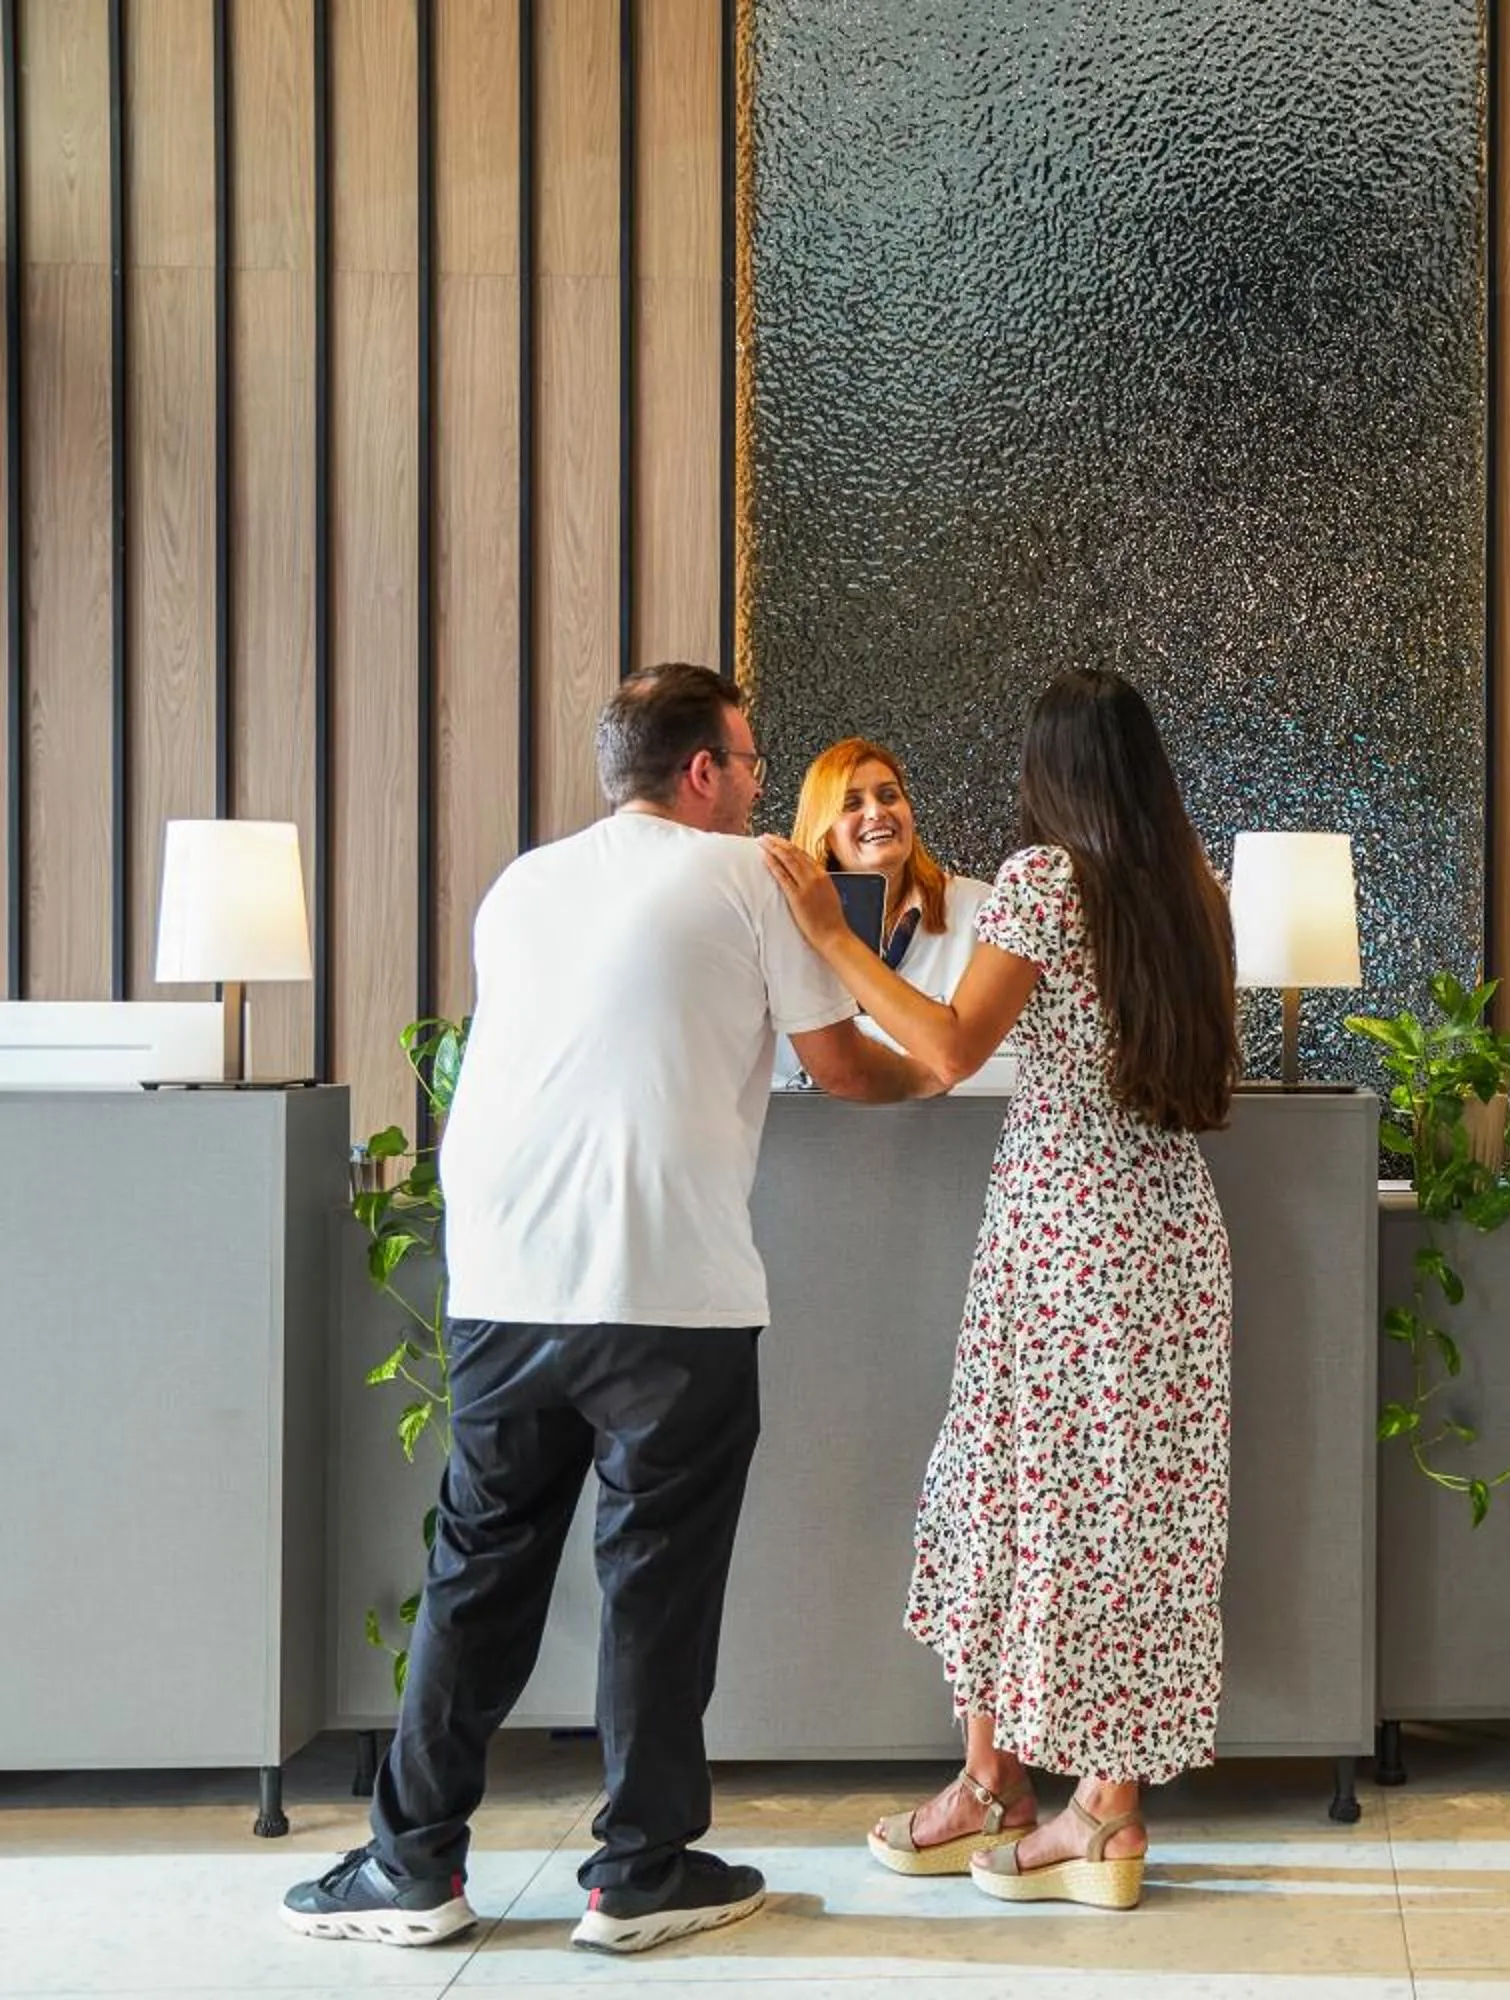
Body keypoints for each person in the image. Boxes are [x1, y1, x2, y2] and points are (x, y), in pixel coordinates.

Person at [281, 665, 938, 1956]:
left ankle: (412, 1864)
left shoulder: (525, 881)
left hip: (506, 1280)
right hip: (667, 1290)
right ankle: (640, 1872)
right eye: (751, 763)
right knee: (655, 1584)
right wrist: (952, 1064)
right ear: (703, 772)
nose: (762, 783)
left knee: (478, 1575)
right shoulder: (753, 873)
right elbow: (844, 1065)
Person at [759, 666, 1239, 1913]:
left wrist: (825, 936)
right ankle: (1099, 1813)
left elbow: (951, 1043)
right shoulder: (1191, 890)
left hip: (1062, 1230)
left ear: (1052, 771)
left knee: (1005, 1485)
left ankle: (999, 1786)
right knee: (1133, 1514)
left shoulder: (1044, 881)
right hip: (1169, 1232)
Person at [773, 737, 994, 1087]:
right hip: (819, 1130)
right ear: (823, 830)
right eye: (851, 803)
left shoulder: (982, 911)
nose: (876, 812)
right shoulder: (785, 922)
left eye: (889, 796)